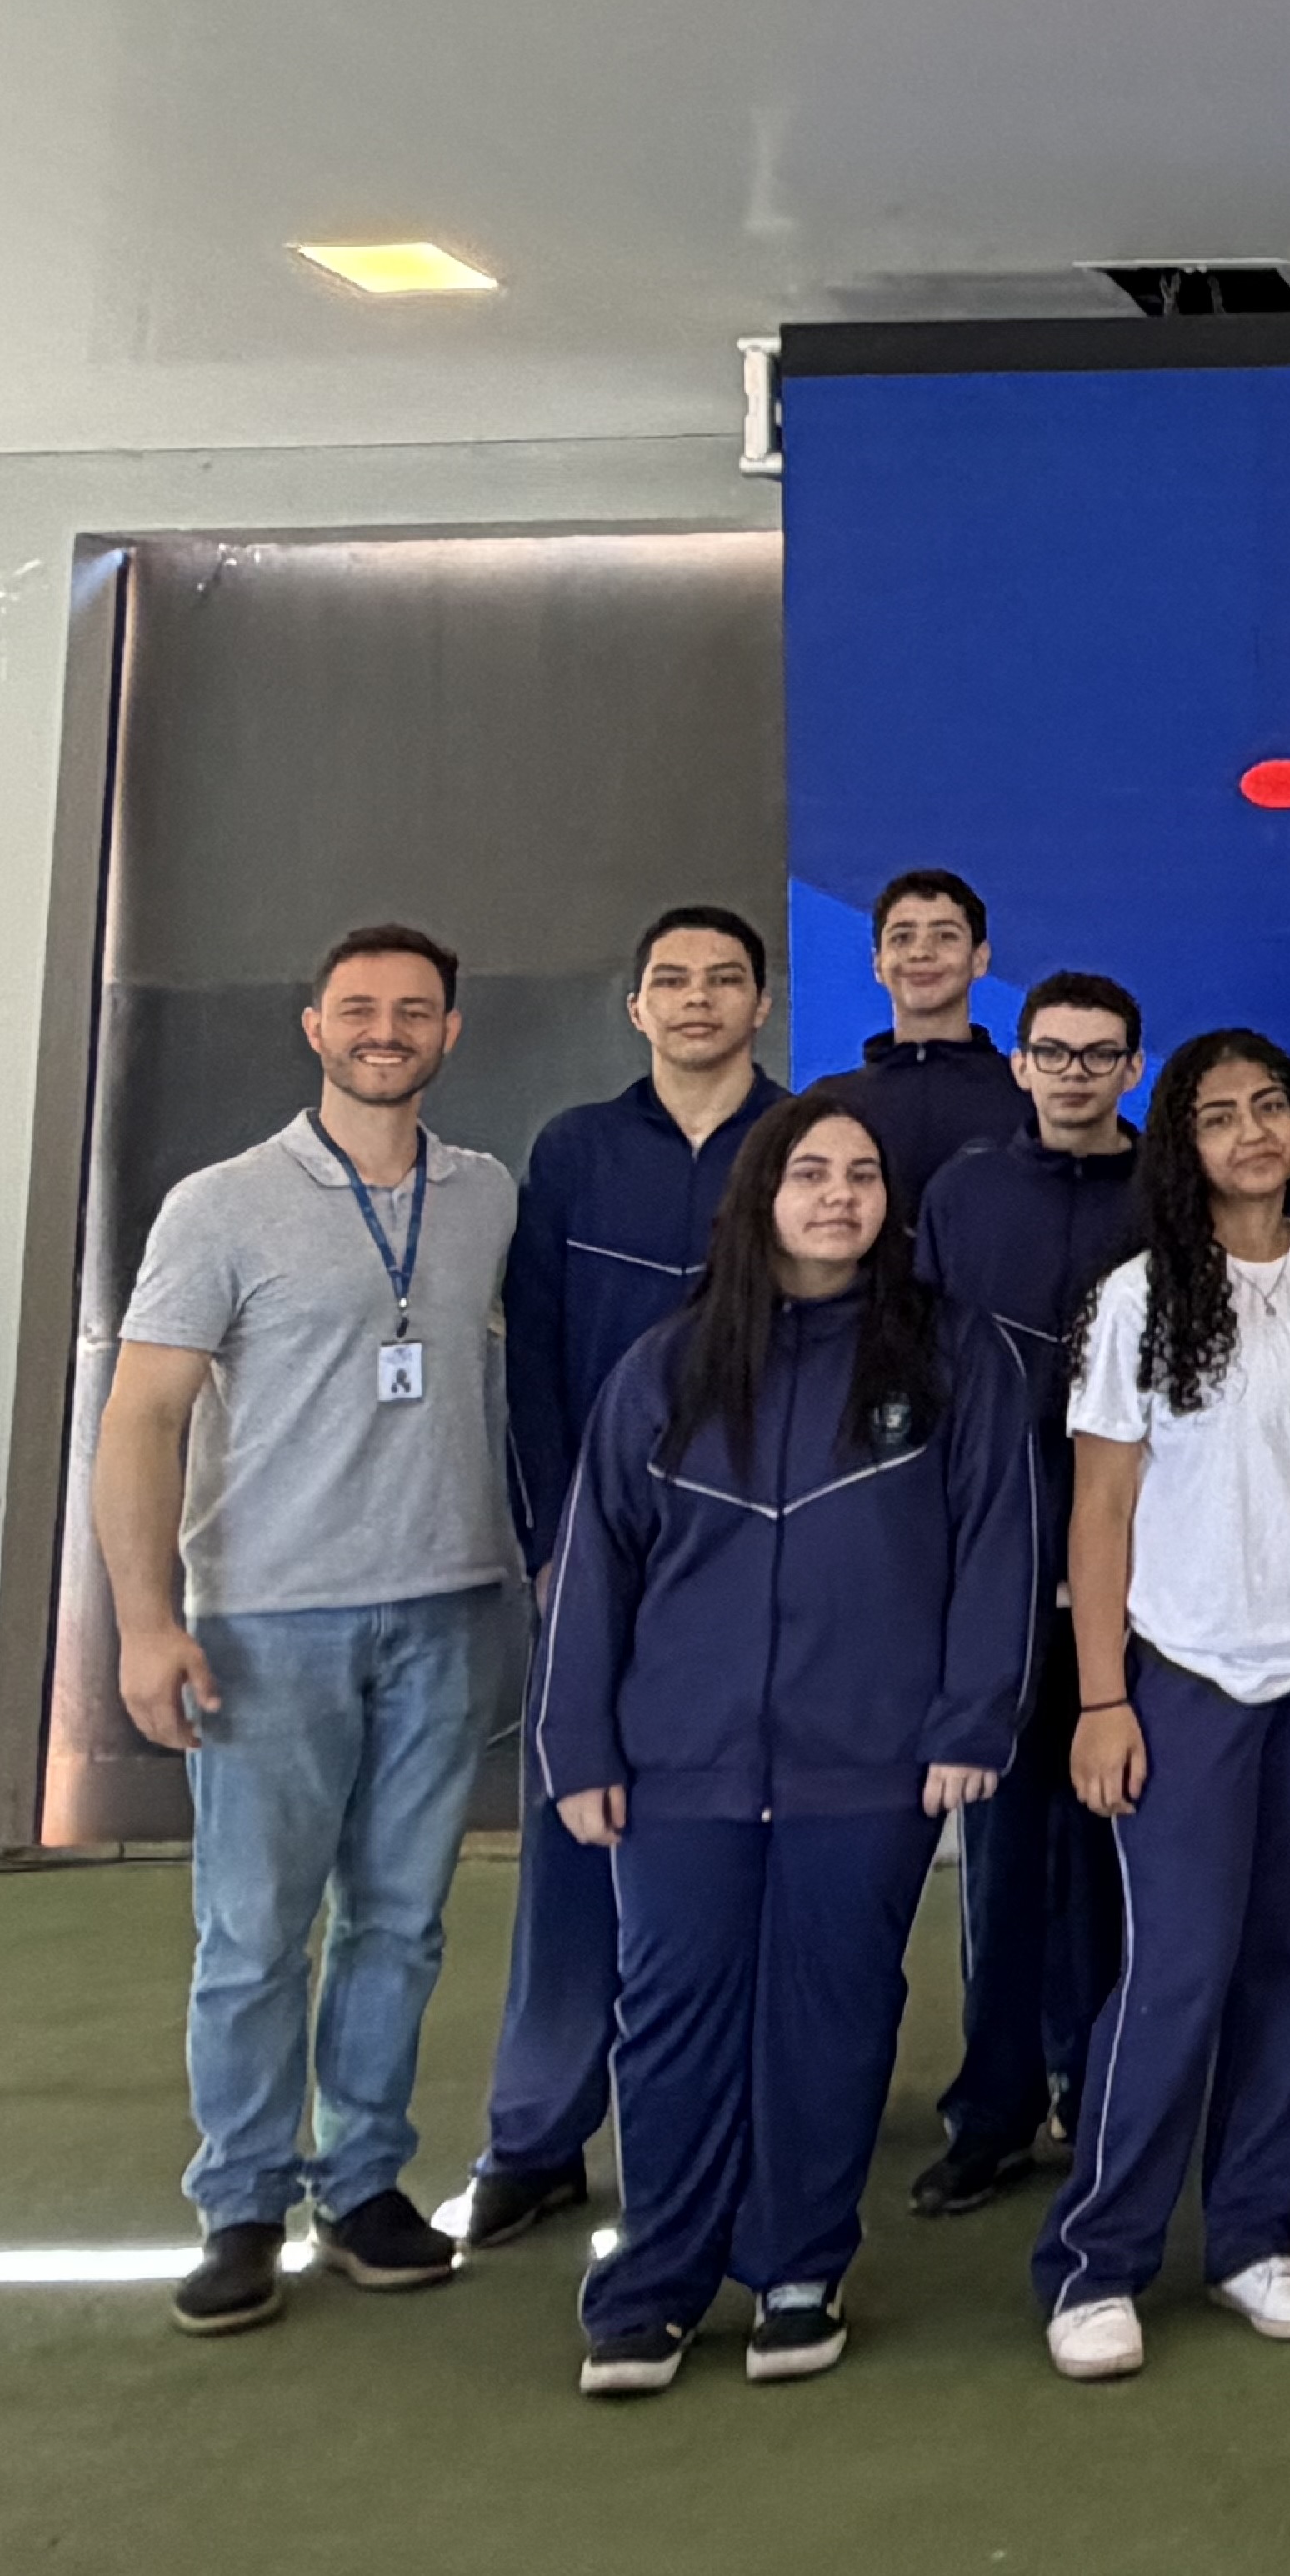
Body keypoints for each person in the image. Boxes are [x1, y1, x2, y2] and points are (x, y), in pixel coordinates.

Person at [541, 1094, 1038, 2394]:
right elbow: (596, 1568)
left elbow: (997, 1545)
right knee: (672, 2023)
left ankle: (799, 2267)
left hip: (868, 1764)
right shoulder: (668, 1363)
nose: (837, 1196)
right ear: (761, 1196)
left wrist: (974, 1716)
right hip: (676, 1768)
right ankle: (652, 2284)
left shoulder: (952, 1357)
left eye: (863, 1175)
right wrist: (578, 1745)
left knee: (834, 2019)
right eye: (809, 1173)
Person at [96, 924, 522, 2334]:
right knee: (255, 1929)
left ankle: (364, 2182)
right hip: (269, 1620)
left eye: (414, 1009)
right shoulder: (219, 1204)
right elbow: (143, 1416)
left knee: (399, 1920)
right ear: (313, 1026)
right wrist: (146, 1619)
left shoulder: (486, 1194)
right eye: (360, 1008)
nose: (385, 1027)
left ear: (451, 1032)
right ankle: (239, 2202)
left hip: (450, 1605)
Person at [1031, 1031, 1290, 2383]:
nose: (1251, 1131)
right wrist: (1103, 1692)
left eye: (1271, 1107)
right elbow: (1103, 1506)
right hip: (1183, 1669)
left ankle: (1250, 2230)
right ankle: (1097, 2257)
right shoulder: (1133, 1297)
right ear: (1180, 1141)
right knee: (1179, 1962)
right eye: (1219, 1114)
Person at [465, 903, 785, 2255]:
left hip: (767, 1561)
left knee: (762, 1849)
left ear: (761, 1003)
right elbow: (531, 1352)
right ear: (636, 1006)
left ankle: (764, 2123)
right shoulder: (577, 1151)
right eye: (672, 979)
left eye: (723, 978)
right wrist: (551, 1540)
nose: (697, 998)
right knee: (575, 1845)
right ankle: (537, 2136)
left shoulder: (805, 1143)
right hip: (600, 1560)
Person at [904, 973, 1149, 2216]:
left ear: (1131, 1068)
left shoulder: (1173, 1196)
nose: (1073, 1074)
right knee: (1002, 1864)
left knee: (1125, 1855)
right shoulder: (962, 1195)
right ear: (1021, 1065)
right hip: (994, 1572)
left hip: (1149, 1579)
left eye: (1099, 1056)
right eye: (1053, 1053)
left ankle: (1114, 2094)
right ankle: (993, 2109)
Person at [832, 870, 1036, 1218]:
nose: (922, 952)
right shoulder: (830, 1104)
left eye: (945, 936)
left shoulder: (1029, 1099)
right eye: (902, 937)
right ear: (878, 964)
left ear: (980, 959)